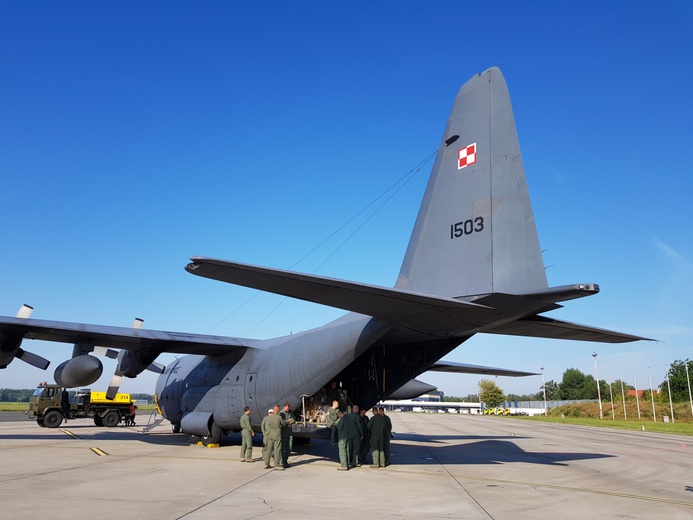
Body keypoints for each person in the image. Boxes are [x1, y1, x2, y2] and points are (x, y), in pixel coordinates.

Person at [267, 404, 287, 469]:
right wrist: (287, 421)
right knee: (277, 449)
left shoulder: (270, 417)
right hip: (277, 435)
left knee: (269, 449)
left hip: (270, 435)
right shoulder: (279, 417)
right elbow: (283, 424)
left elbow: (269, 425)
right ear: (278, 410)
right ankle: (276, 465)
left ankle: (266, 464)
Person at [279, 402, 295, 468]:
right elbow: (281, 422)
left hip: (289, 432)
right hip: (283, 432)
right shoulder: (281, 413)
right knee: (283, 447)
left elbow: (293, 419)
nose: (288, 410)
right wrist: (288, 421)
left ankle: (285, 461)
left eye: (288, 408)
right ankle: (282, 462)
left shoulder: (291, 412)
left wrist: (289, 421)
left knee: (289, 447)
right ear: (284, 407)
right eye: (286, 408)